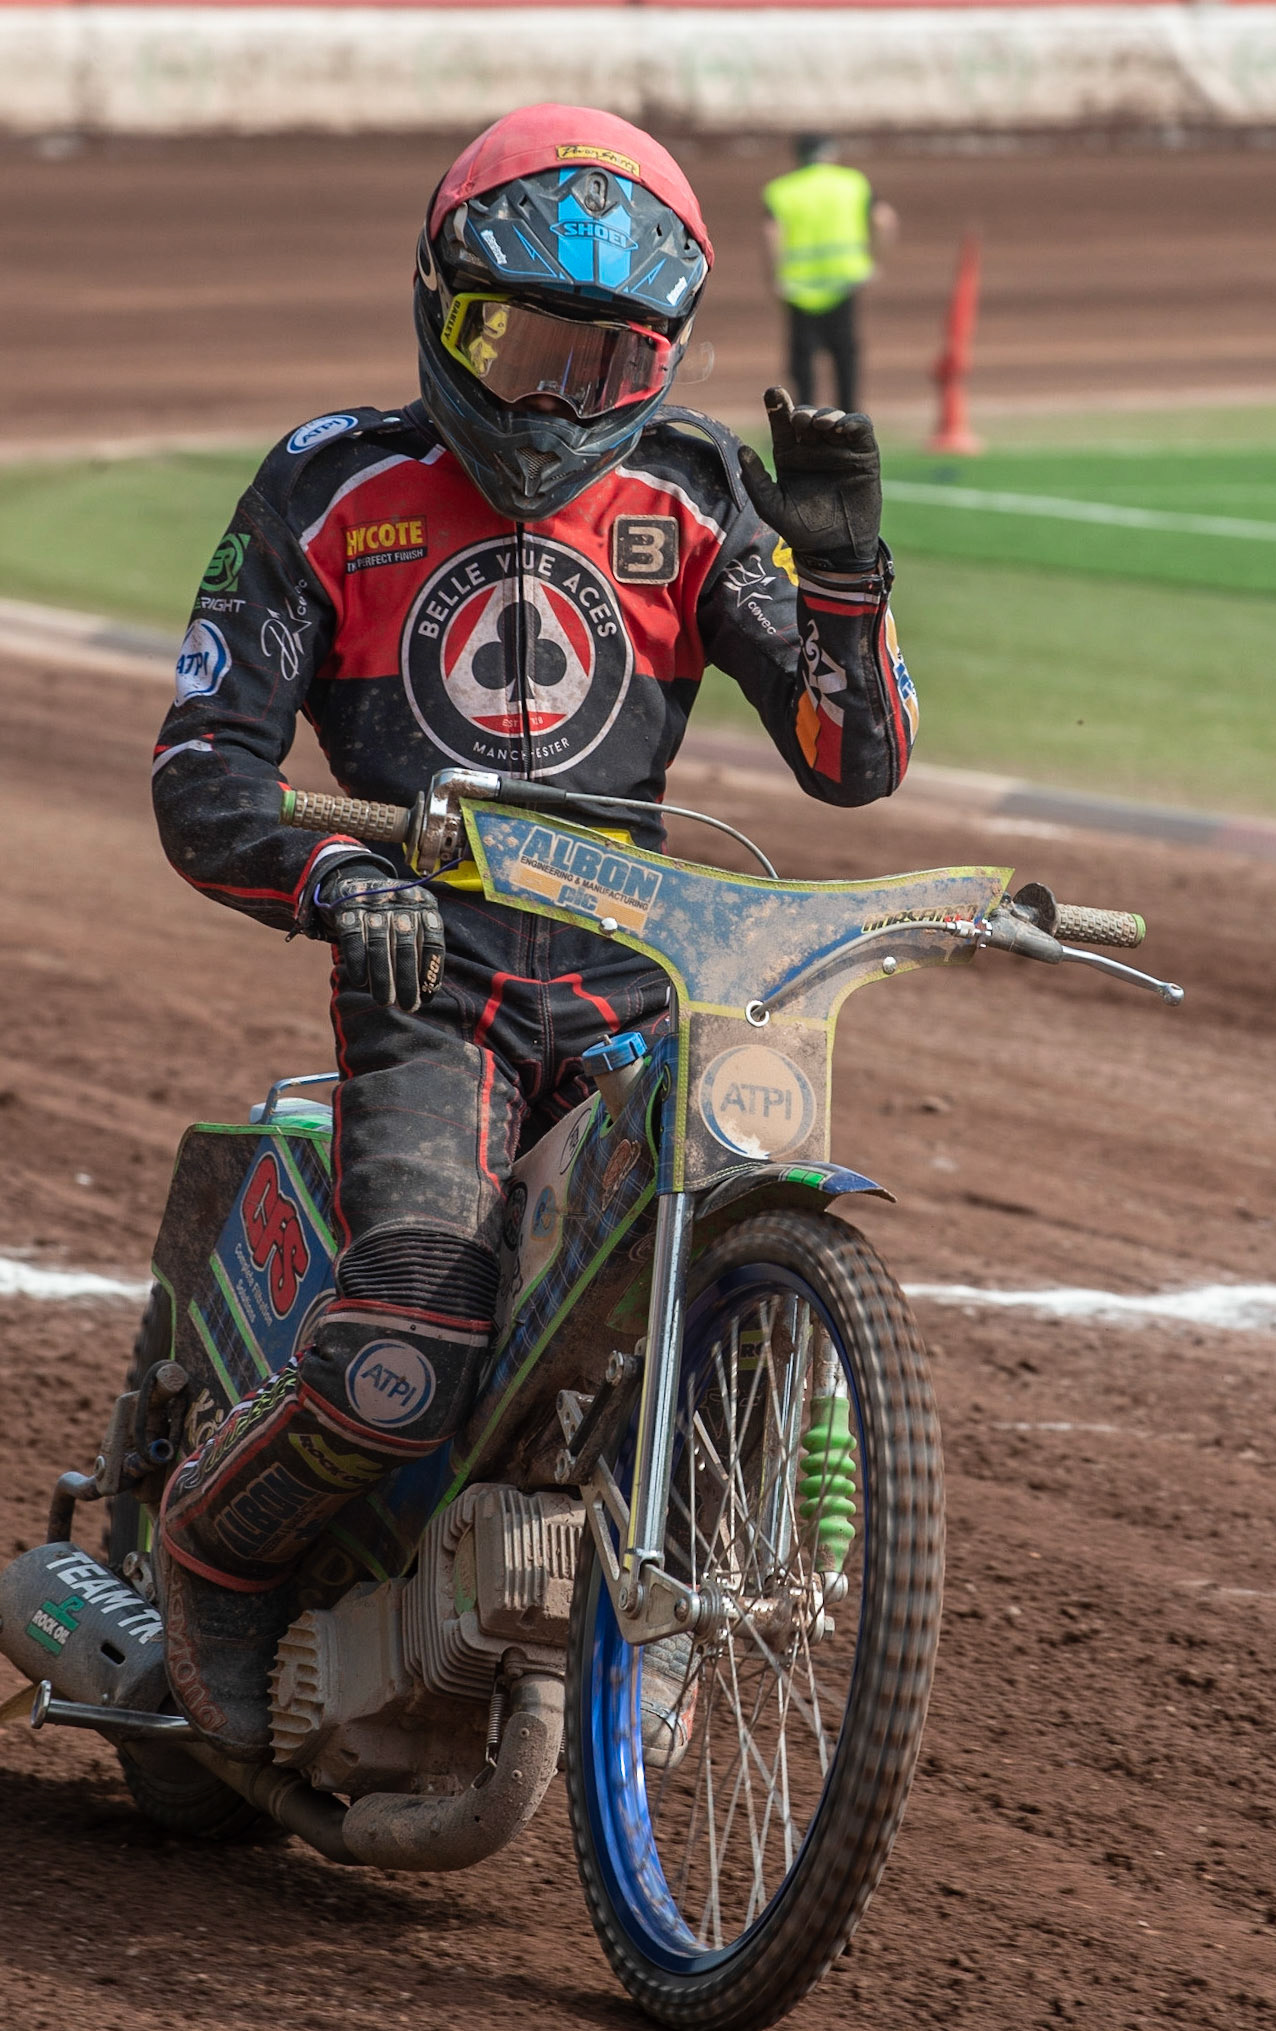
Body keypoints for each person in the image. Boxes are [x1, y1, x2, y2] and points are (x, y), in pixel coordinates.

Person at [150, 102, 919, 1758]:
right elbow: (202, 768)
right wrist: (337, 885)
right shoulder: (328, 483)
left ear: (668, 362)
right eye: (520, 345)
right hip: (437, 985)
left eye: (611, 362)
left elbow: (852, 766)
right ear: (439, 305)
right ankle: (213, 1547)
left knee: (725, 1309)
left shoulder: (702, 491)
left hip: (645, 985)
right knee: (403, 1355)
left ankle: (662, 1614)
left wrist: (847, 582)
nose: (558, 398)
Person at [762, 134, 896, 414]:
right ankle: (850, 418)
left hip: (799, 286)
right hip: (843, 283)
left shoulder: (781, 190)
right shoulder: (853, 183)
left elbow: (771, 234)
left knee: (803, 360)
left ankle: (803, 417)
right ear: (831, 153)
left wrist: (775, 277)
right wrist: (873, 262)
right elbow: (884, 220)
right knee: (845, 355)